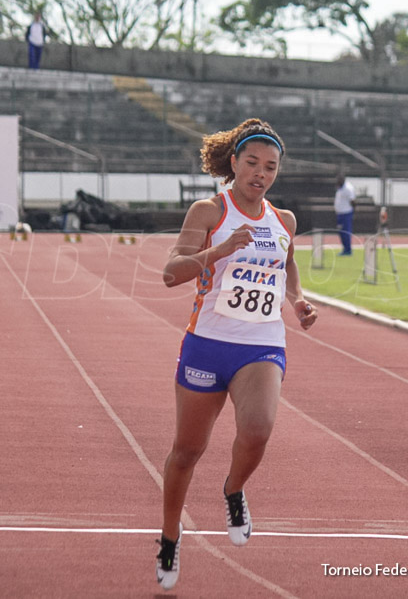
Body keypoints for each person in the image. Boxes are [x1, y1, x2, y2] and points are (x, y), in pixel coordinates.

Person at [155, 118, 318, 590]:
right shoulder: (209, 211)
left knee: (258, 430)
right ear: (234, 163)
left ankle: (234, 489)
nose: (261, 174)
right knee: (187, 451)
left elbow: (287, 268)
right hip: (208, 342)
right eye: (252, 163)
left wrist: (298, 301)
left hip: (262, 342)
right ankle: (169, 536)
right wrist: (219, 249)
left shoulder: (283, 220)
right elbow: (170, 273)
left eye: (270, 167)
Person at [334, 173, 356, 256]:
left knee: (346, 232)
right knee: (341, 232)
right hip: (340, 214)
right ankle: (345, 248)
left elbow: (352, 201)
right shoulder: (339, 187)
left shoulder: (348, 188)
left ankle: (348, 249)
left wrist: (353, 212)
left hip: (346, 213)